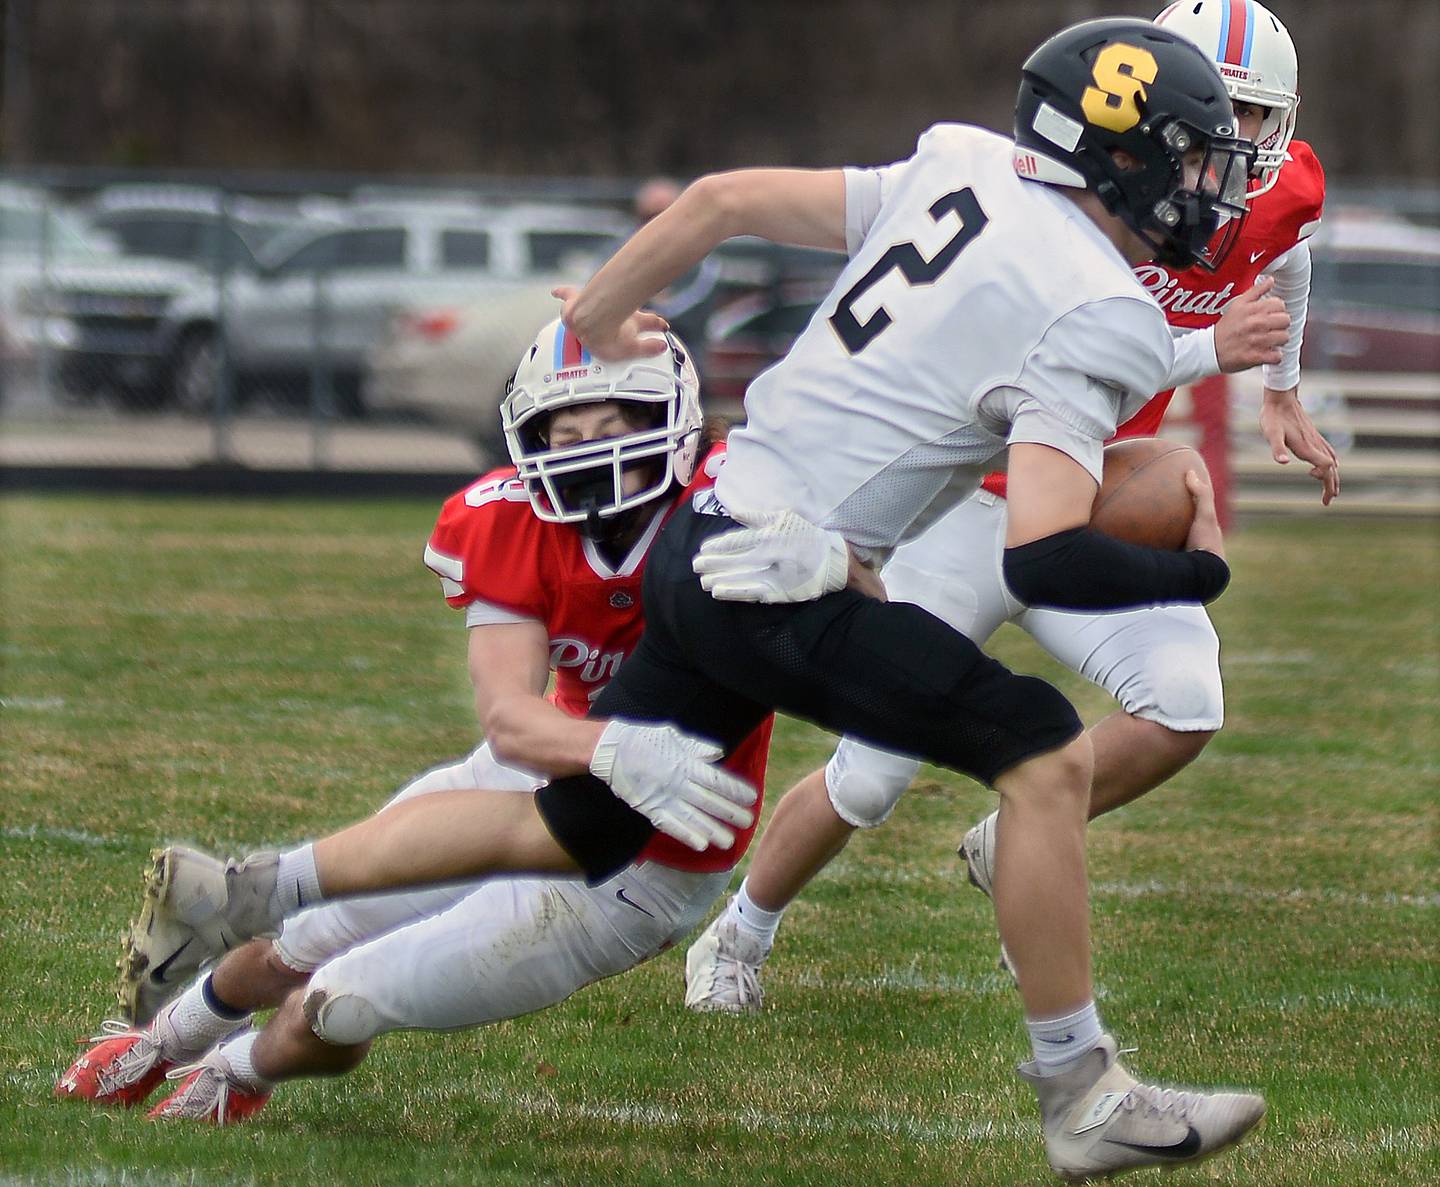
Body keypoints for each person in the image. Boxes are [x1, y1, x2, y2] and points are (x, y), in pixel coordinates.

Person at [111, 19, 1270, 1179]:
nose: (1209, 183)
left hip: (707, 535)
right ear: (1120, 153)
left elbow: (717, 201)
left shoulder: (956, 165)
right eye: (1192, 155)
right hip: (779, 576)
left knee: (579, 821)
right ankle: (1081, 1086)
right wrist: (1197, 567)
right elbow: (1048, 559)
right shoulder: (1101, 305)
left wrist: (593, 320)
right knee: (1046, 752)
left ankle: (261, 884)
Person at [684, 0, 1335, 1009]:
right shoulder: (1070, 212)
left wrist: (1283, 385)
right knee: (871, 775)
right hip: (976, 500)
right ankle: (739, 932)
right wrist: (1214, 351)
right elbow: (1071, 354)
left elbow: (1285, 256)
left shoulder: (1270, 191)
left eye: (1255, 120)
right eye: (1219, 115)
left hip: (1087, 503)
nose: (1236, 145)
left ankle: (1020, 833)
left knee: (1186, 698)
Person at [57, 319, 773, 1122]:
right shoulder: (512, 522)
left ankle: (237, 1073)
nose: (588, 456)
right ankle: (164, 1039)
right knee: (302, 939)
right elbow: (510, 715)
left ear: (670, 422)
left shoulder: (741, 498)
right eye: (564, 433)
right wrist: (615, 746)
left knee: (343, 999)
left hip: (648, 861)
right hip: (538, 771)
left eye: (612, 429)